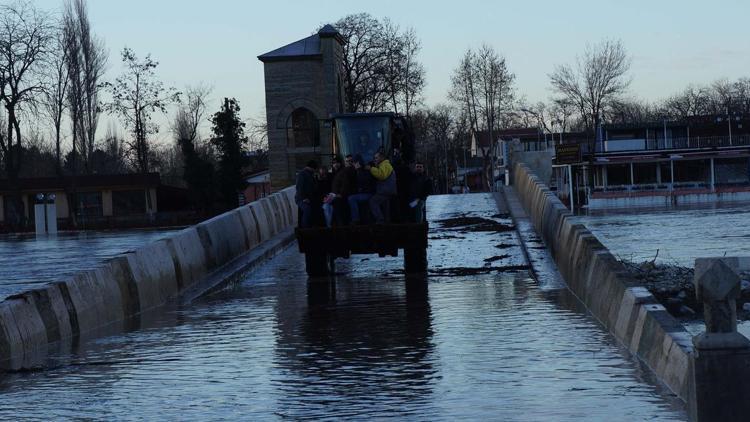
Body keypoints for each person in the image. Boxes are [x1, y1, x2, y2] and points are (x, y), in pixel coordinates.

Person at [366, 150, 397, 224]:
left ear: (382, 158)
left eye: (376, 158)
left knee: (373, 201)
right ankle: (386, 222)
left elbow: (381, 175)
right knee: (385, 206)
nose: (375, 159)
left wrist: (371, 169)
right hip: (387, 191)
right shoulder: (383, 165)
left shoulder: (385, 165)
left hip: (385, 191)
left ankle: (380, 220)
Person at [329, 155, 356, 225]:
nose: (335, 164)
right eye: (333, 163)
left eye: (337, 163)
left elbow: (345, 184)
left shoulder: (343, 171)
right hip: (335, 195)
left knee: (337, 206)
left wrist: (340, 194)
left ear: (341, 163)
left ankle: (340, 224)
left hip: (341, 196)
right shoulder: (334, 172)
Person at [348, 154, 375, 224]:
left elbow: (366, 183)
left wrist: (360, 189)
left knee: (351, 198)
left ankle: (355, 219)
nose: (353, 164)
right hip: (364, 193)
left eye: (354, 162)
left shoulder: (364, 170)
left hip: (368, 193)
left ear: (359, 162)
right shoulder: (358, 171)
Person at [295, 160, 318, 228]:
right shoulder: (302, 174)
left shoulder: (310, 174)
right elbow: (299, 187)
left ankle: (312, 225)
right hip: (301, 199)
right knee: (307, 210)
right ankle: (305, 227)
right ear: (312, 168)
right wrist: (304, 198)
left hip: (309, 198)